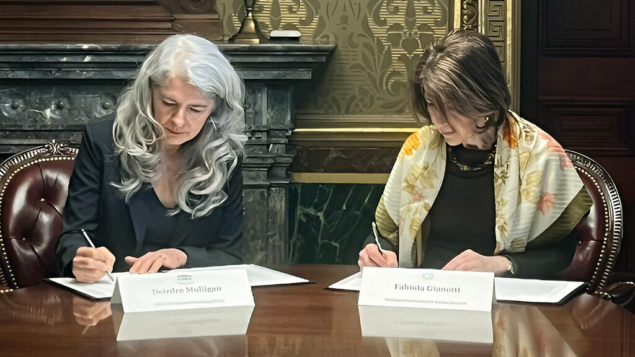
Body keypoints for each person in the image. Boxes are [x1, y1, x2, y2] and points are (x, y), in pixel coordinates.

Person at [358, 30, 592, 279]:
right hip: (422, 294)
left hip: (503, 301)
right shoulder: (418, 149)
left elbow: (562, 252)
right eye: (431, 104)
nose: (438, 120)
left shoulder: (540, 153)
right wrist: (373, 251)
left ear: (484, 100)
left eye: (451, 106)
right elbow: (383, 234)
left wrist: (499, 264)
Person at [56, 34, 246, 283]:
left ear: (216, 108)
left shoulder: (224, 154)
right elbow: (74, 235)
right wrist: (79, 259)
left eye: (195, 109)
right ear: (149, 94)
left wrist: (182, 257)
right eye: (168, 103)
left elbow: (230, 254)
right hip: (110, 298)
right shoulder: (102, 140)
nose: (178, 120)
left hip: (189, 302)